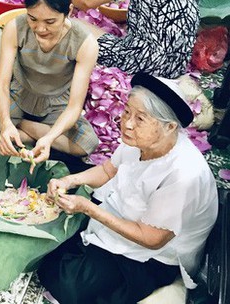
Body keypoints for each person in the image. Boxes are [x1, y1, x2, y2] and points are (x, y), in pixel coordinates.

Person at [38, 72, 218, 304]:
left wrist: (88, 209)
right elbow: (107, 171)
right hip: (127, 213)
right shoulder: (138, 140)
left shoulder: (183, 175)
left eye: (140, 118)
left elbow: (152, 239)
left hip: (155, 255)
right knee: (55, 226)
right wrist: (70, 181)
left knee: (69, 286)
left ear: (170, 127)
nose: (127, 124)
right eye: (126, 112)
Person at [0, 0, 99, 165]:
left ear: (68, 12)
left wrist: (49, 138)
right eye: (33, 18)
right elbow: (3, 85)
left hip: (56, 102)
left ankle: (25, 131)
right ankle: (21, 128)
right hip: (19, 94)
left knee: (86, 144)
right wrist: (5, 124)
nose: (40, 28)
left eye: (50, 21)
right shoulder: (15, 27)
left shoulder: (84, 43)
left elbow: (74, 107)